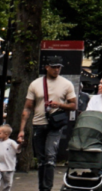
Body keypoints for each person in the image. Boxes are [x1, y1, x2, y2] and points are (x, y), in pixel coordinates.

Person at [18, 56, 78, 191]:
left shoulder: (67, 84)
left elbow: (74, 105)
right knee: (41, 159)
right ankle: (42, 187)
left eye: (59, 67)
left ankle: (47, 188)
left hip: (55, 124)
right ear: (47, 67)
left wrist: (60, 105)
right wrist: (22, 129)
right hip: (38, 123)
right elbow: (27, 107)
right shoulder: (35, 84)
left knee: (50, 155)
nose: (57, 70)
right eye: (54, 67)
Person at [0, 123, 20, 191]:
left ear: (6, 134)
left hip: (8, 166)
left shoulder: (11, 142)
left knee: (8, 183)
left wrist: (21, 144)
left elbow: (17, 149)